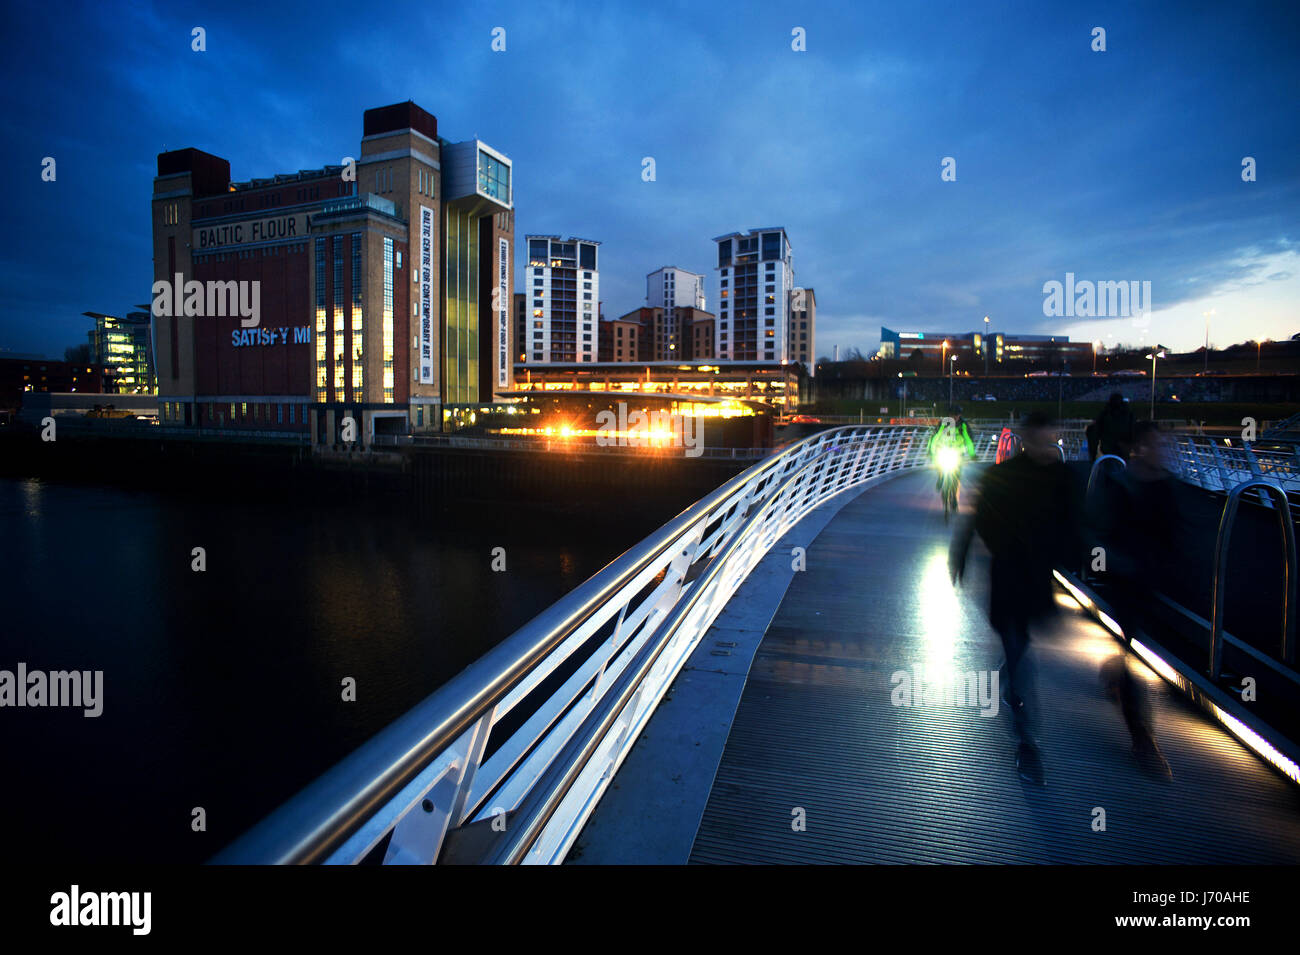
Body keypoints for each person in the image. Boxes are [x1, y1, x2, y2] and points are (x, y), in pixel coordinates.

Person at [950, 412, 1079, 784]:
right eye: (1038, 436)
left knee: (1018, 649)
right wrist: (960, 556)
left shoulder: (1062, 478)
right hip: (1008, 577)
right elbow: (977, 521)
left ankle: (1005, 685)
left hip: (1037, 580)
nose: (1044, 442)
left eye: (1048, 435)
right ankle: (1027, 741)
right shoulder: (1004, 476)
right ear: (1026, 438)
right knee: (1021, 657)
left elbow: (1073, 525)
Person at [1096, 420, 1178, 777]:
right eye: (1156, 444)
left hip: (1154, 582)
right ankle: (1142, 736)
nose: (1163, 451)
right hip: (1127, 579)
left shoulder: (1168, 488)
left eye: (1165, 444)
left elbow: (1178, 535)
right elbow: (1101, 529)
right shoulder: (1122, 486)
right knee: (1134, 650)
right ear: (1139, 449)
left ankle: (1113, 671)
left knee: (1134, 649)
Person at [1093, 392, 1135, 460]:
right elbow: (1132, 429)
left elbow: (1097, 430)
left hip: (1108, 448)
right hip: (1122, 448)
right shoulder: (1128, 413)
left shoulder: (1104, 413)